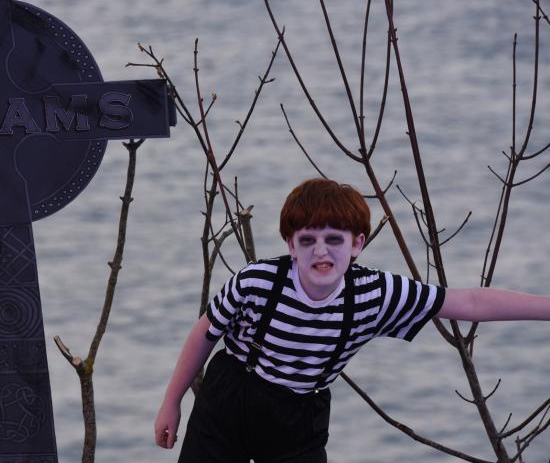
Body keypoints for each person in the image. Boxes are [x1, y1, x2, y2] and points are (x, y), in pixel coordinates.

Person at [154, 178, 550, 463]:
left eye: (334, 239)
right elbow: (204, 334)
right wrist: (172, 401)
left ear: (358, 243)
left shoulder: (374, 294)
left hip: (300, 419)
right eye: (307, 240)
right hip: (230, 400)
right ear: (290, 244)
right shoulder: (257, 281)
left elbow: (469, 301)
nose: (320, 252)